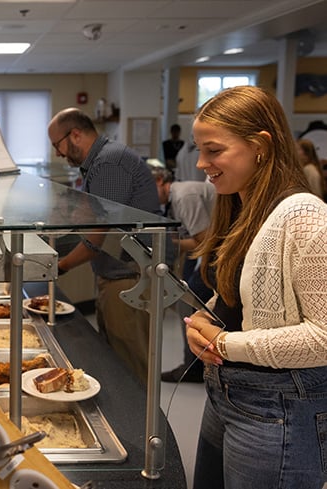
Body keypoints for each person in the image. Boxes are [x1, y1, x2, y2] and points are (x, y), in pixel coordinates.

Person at [183, 86, 327, 489]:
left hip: (278, 408)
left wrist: (226, 344)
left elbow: (324, 336)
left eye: (213, 150)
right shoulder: (240, 205)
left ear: (260, 144)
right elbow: (241, 292)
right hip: (228, 395)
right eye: (200, 149)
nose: (201, 163)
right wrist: (205, 319)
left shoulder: (305, 217)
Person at [49, 107, 161, 384]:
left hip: (129, 279)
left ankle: (140, 427)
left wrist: (58, 266)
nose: (58, 153)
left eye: (57, 145)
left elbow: (98, 236)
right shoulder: (100, 162)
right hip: (116, 276)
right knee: (116, 361)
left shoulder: (109, 163)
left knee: (130, 369)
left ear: (74, 134)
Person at [150, 166, 215, 383]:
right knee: (185, 300)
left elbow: (204, 241)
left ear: (160, 180)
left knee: (192, 299)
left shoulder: (183, 196)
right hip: (205, 253)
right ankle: (192, 365)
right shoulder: (172, 200)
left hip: (215, 253)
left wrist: (167, 245)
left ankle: (194, 368)